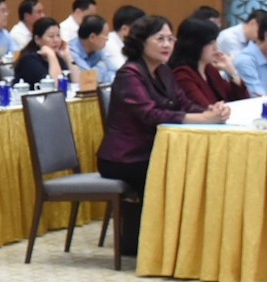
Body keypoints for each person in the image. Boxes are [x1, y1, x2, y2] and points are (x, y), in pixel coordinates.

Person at [97, 16, 228, 257]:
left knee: (198, 167)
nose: (167, 44)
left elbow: (184, 103)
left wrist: (211, 111)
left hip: (153, 151)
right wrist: (201, 119)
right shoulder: (129, 74)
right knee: (182, 171)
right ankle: (164, 247)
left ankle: (188, 243)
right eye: (160, 39)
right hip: (125, 157)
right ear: (141, 42)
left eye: (170, 39)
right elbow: (150, 114)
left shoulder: (164, 71)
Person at [169, 16, 251, 106]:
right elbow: (205, 108)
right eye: (209, 43)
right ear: (194, 44)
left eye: (215, 41)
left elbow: (241, 100)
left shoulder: (209, 69)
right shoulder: (182, 74)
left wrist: (232, 72)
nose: (215, 47)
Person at [12, 17, 69, 86]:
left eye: (58, 35)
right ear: (37, 39)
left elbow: (76, 82)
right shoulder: (29, 60)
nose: (56, 40)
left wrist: (68, 57)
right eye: (51, 36)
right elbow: (57, 86)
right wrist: (51, 56)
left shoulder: (58, 56)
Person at [68, 14, 119, 85]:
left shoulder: (97, 48)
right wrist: (102, 66)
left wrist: (98, 76)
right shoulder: (71, 51)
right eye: (105, 36)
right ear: (92, 37)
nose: (107, 39)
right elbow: (88, 79)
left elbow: (114, 72)